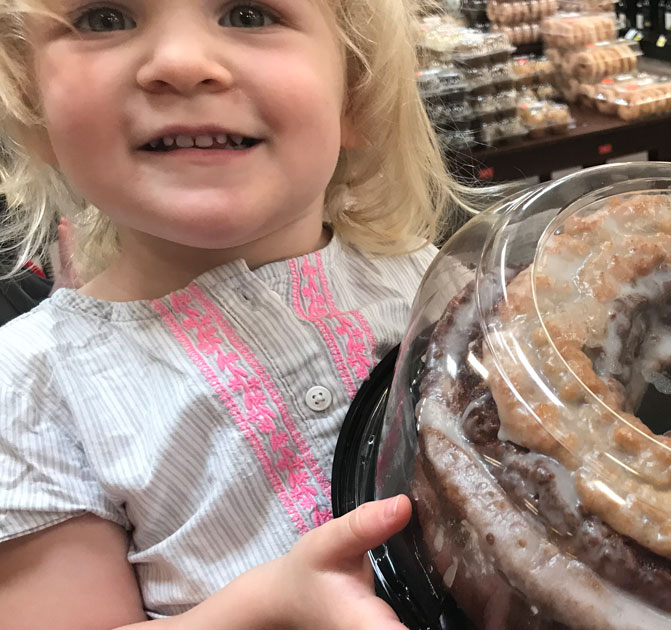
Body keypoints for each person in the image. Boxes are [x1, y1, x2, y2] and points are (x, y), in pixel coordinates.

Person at [0, 1, 465, 628]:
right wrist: (269, 611)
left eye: (249, 14)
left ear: (354, 94)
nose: (181, 64)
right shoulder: (31, 387)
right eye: (103, 18)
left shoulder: (427, 277)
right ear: (33, 111)